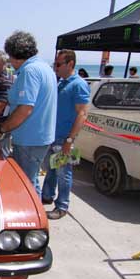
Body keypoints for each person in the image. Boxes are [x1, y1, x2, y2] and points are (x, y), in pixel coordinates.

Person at [0, 31, 57, 196]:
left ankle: (34, 213)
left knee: (26, 186)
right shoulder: (44, 67)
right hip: (40, 137)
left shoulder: (29, 71)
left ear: (14, 56)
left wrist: (1, 130)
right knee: (32, 181)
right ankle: (38, 207)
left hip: (29, 139)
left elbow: (25, 109)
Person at [41, 50, 90, 220]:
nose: (56, 67)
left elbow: (82, 114)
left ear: (70, 64)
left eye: (59, 64)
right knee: (51, 169)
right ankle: (47, 195)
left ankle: (62, 206)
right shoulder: (62, 83)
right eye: (55, 63)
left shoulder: (78, 84)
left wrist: (69, 140)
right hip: (54, 135)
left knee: (63, 173)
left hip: (64, 137)